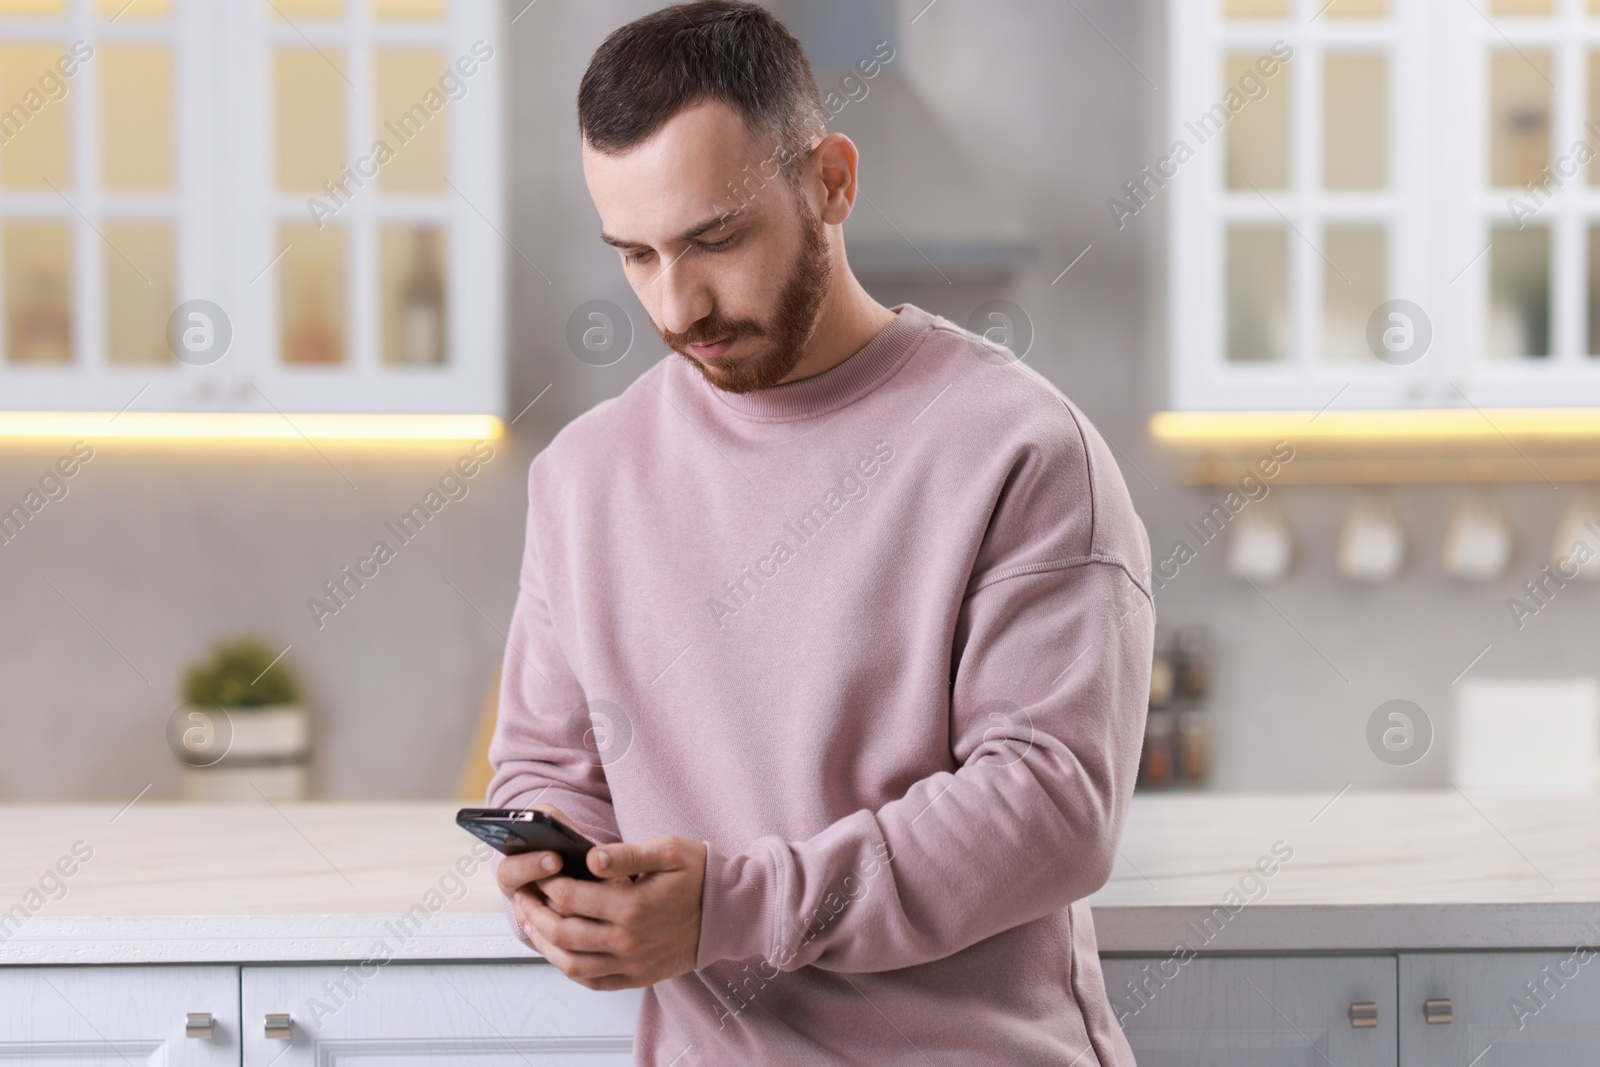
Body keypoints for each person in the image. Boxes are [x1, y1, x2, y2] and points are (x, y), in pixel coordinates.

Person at [488, 3, 1153, 1063]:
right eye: (636, 255)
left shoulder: (1019, 449)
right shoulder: (584, 476)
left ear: (831, 180)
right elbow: (545, 767)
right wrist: (549, 871)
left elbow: (1049, 808)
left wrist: (733, 906)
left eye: (715, 238)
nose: (678, 303)